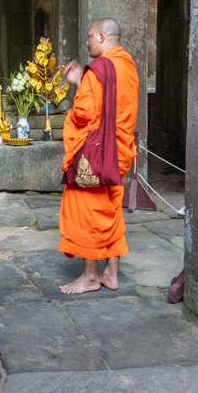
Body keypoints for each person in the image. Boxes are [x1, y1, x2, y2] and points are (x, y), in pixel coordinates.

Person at [58, 18, 138, 294]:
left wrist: (80, 85)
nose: (88, 41)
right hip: (119, 151)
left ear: (103, 37)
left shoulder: (98, 69)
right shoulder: (126, 65)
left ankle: (91, 276)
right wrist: (83, 79)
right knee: (111, 209)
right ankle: (111, 274)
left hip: (96, 156)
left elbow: (85, 113)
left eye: (91, 36)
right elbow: (112, 103)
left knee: (88, 211)